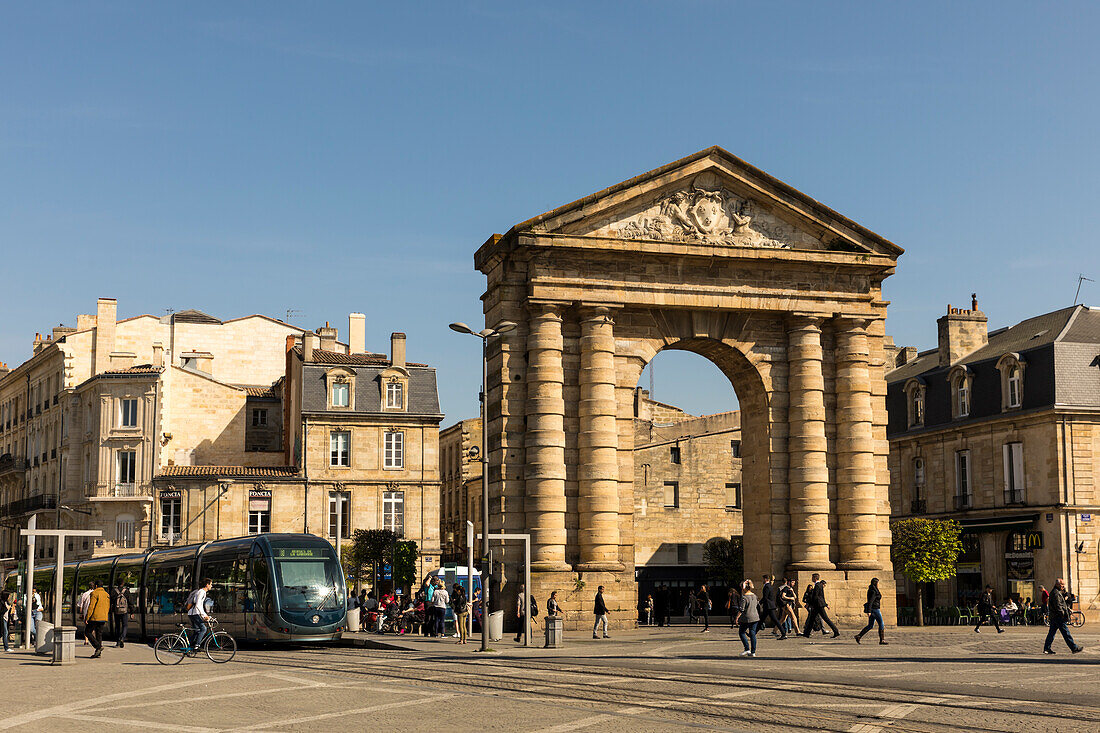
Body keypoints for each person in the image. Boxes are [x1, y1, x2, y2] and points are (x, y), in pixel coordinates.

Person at [1044, 578, 1084, 655]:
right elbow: (1058, 606)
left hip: (1055, 617)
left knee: (1051, 633)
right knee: (1066, 633)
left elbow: (1062, 604)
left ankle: (1047, 648)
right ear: (1057, 584)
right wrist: (1063, 614)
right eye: (1062, 584)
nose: (1063, 586)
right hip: (1058, 617)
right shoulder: (1056, 593)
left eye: (1063, 584)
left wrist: (1067, 609)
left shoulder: (1057, 592)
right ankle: (1074, 648)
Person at [801, 574, 840, 639]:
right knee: (811, 619)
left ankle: (836, 631)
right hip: (818, 605)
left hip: (818, 605)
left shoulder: (817, 585)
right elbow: (821, 596)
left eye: (812, 577)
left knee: (826, 619)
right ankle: (806, 633)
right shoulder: (819, 585)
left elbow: (816, 597)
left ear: (815, 578)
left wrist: (811, 604)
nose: (812, 579)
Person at [854, 577, 886, 645]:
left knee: (870, 625)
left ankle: (859, 636)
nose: (878, 584)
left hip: (873, 609)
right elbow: (870, 601)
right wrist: (869, 611)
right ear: (875, 583)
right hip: (875, 609)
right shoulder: (873, 591)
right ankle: (882, 640)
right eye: (878, 583)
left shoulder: (873, 589)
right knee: (881, 623)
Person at [185, 578, 214, 652]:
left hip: (193, 613)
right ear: (207, 585)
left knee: (197, 631)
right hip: (194, 614)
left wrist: (205, 615)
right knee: (203, 629)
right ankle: (197, 646)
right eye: (211, 584)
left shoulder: (201, 592)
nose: (211, 586)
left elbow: (200, 606)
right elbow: (198, 605)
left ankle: (188, 646)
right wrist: (204, 616)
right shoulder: (201, 592)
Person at [84, 580, 110, 659]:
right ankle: (98, 653)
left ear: (95, 586)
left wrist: (87, 618)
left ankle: (98, 646)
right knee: (99, 634)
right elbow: (108, 606)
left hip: (95, 617)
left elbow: (91, 607)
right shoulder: (106, 594)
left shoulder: (94, 593)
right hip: (103, 617)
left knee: (87, 632)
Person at [735, 579, 761, 657]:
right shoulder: (755, 596)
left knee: (742, 632)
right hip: (755, 617)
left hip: (747, 618)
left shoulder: (744, 597)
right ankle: (753, 651)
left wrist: (737, 618)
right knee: (752, 633)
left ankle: (747, 648)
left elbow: (741, 609)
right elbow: (757, 605)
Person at [760, 574, 785, 639]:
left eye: (763, 579)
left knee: (775, 620)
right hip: (769, 606)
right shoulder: (768, 586)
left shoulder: (767, 586)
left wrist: (759, 602)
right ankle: (753, 633)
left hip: (769, 606)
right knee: (761, 620)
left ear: (766, 579)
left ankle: (783, 633)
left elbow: (765, 597)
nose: (762, 580)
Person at [112, 583, 132, 648]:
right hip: (124, 612)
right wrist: (132, 612)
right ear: (123, 583)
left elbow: (111, 601)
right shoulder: (126, 591)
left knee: (117, 626)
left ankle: (118, 642)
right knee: (125, 625)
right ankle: (122, 638)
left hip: (116, 611)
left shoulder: (114, 591)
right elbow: (130, 602)